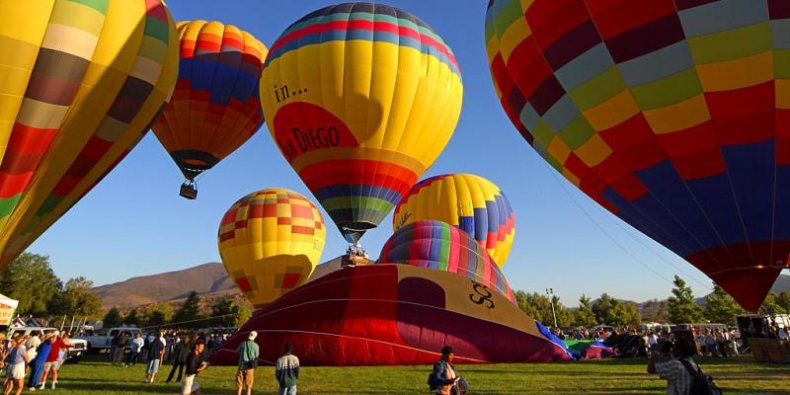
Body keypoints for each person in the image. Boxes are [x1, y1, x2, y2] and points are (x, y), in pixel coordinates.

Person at [236, 331, 260, 395]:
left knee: (239, 385)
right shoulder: (256, 346)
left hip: (241, 366)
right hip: (250, 367)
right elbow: (256, 356)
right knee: (249, 386)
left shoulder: (243, 343)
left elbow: (237, 351)